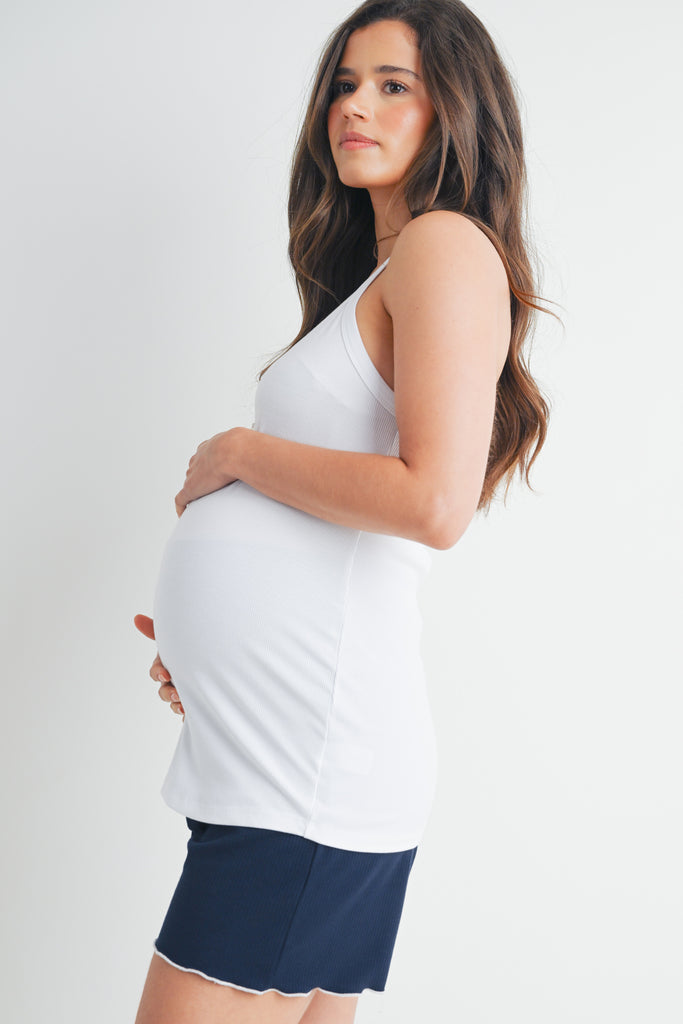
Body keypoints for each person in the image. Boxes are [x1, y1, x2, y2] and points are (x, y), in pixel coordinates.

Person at [133, 1, 554, 1021]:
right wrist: (218, 651)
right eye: (343, 82)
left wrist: (239, 452)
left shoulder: (445, 247)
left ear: (454, 109)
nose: (352, 105)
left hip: (304, 782)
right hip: (286, 761)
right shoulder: (382, 271)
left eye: (391, 84)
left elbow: (432, 500)